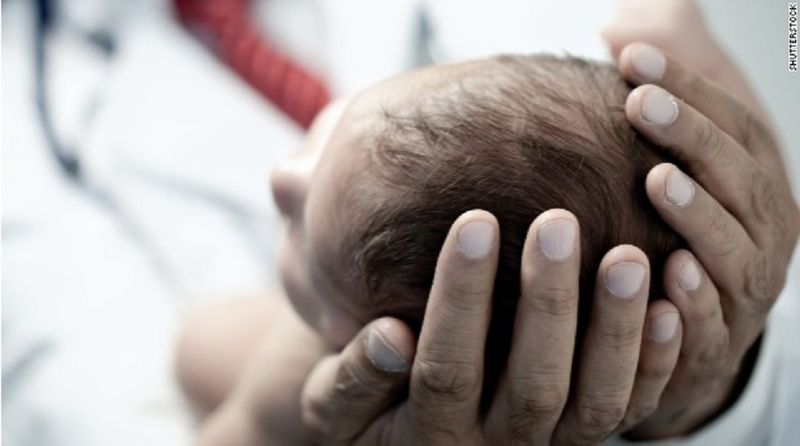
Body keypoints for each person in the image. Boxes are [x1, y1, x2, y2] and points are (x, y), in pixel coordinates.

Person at [176, 44, 800, 444]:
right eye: (336, 125)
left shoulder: (307, 386)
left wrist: (260, 423)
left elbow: (194, 347)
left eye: (300, 228)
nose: (281, 176)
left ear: (355, 340)